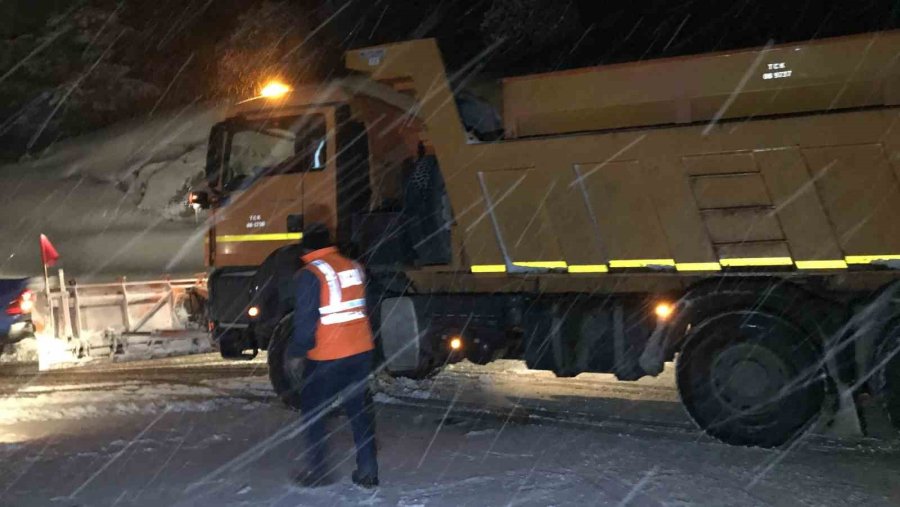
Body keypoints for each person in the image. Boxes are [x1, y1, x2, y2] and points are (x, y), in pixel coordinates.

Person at [288, 223, 379, 489]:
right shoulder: (354, 267)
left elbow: (305, 321)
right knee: (358, 409)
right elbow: (367, 305)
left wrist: (297, 352)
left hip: (327, 355)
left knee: (313, 411)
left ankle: (318, 470)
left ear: (306, 248)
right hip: (360, 350)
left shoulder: (311, 273)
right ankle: (368, 470)